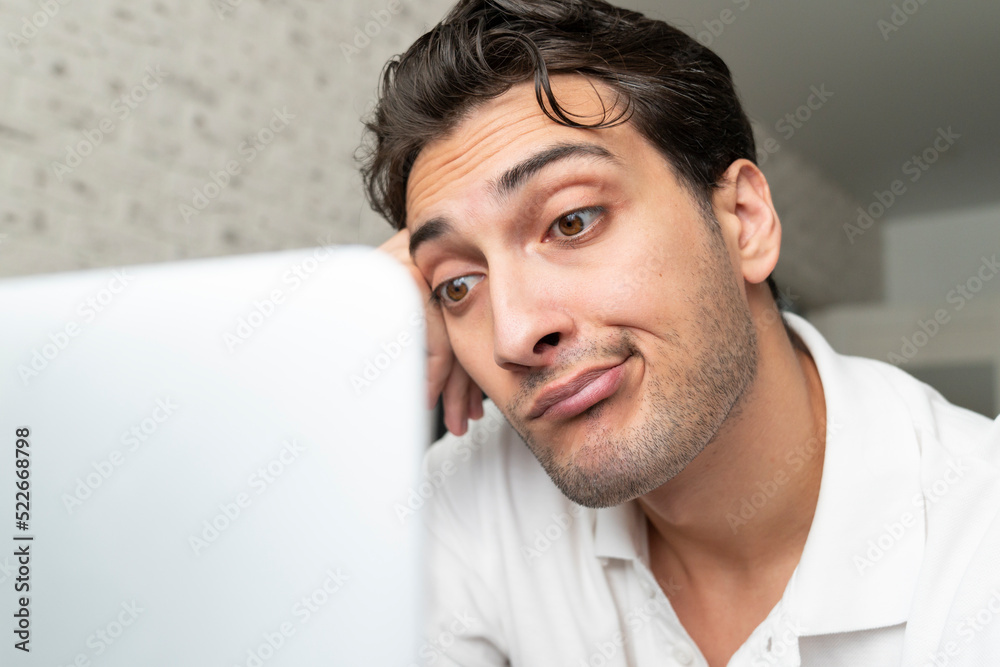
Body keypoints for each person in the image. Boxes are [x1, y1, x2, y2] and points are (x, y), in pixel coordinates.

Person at [362, 1, 1000, 665]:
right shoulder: (473, 500)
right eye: (458, 285)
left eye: (573, 220)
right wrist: (338, 336)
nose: (514, 334)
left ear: (744, 220)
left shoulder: (981, 535)